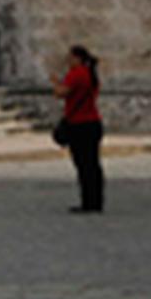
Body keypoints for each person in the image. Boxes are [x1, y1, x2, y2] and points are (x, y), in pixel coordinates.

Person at [54, 45, 104, 214]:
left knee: (83, 165)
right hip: (93, 122)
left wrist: (55, 83)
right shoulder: (91, 74)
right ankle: (96, 200)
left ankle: (88, 202)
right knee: (93, 164)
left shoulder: (76, 74)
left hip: (79, 124)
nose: (68, 61)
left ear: (77, 58)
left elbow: (62, 93)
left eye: (70, 57)